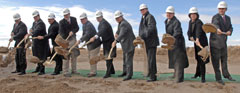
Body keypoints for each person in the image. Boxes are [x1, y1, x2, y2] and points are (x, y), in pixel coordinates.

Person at [210, 1, 235, 85]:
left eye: (223, 9)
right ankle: (218, 78)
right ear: (218, 9)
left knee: (224, 60)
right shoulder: (215, 17)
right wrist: (217, 29)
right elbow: (215, 24)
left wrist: (229, 31)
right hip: (215, 43)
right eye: (220, 8)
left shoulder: (228, 18)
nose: (221, 10)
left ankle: (226, 75)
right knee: (216, 62)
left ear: (226, 9)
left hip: (223, 43)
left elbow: (230, 26)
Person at [165, 6, 189, 83]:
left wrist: (171, 38)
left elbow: (177, 32)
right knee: (174, 59)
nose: (168, 14)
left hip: (178, 43)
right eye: (167, 13)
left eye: (170, 13)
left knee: (179, 60)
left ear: (173, 14)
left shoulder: (176, 22)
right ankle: (175, 74)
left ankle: (179, 78)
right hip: (172, 43)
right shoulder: (167, 21)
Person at [89, 11, 116, 78]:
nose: (98, 19)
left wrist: (95, 37)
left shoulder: (104, 23)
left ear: (102, 17)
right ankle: (112, 71)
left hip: (109, 43)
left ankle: (108, 73)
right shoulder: (101, 23)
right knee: (108, 57)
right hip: (106, 42)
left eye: (99, 17)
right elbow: (102, 33)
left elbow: (102, 31)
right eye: (97, 17)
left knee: (108, 57)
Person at [112, 10, 136, 81]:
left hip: (129, 45)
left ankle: (129, 75)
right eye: (116, 18)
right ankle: (125, 72)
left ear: (121, 16)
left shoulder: (124, 24)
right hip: (125, 45)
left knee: (128, 60)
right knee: (125, 59)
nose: (117, 19)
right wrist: (116, 33)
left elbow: (122, 33)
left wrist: (116, 41)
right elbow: (119, 31)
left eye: (118, 18)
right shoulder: (120, 23)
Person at [187, 7, 209, 83]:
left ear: (197, 15)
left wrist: (197, 38)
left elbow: (198, 31)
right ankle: (197, 74)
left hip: (202, 44)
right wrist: (190, 37)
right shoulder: (190, 22)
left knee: (202, 60)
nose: (193, 15)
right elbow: (189, 32)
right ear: (189, 15)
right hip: (196, 43)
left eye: (194, 14)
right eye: (191, 14)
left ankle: (203, 78)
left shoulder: (199, 22)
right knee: (197, 58)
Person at [138, 4, 159, 82]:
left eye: (143, 9)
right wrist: (140, 36)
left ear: (147, 9)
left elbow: (151, 28)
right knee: (150, 59)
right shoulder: (144, 17)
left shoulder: (150, 17)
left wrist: (142, 35)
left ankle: (153, 77)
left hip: (151, 42)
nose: (142, 11)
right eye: (141, 10)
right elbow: (142, 29)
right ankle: (151, 73)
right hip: (148, 42)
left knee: (151, 59)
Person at [77, 12, 101, 77]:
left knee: (92, 58)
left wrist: (80, 40)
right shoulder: (84, 25)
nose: (81, 20)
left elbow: (87, 34)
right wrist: (83, 41)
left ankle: (93, 72)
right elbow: (84, 34)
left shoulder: (89, 25)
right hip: (90, 44)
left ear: (86, 18)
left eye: (83, 19)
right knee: (90, 58)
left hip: (95, 44)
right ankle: (92, 71)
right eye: (81, 19)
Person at [58, 8, 80, 77]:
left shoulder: (74, 19)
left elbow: (77, 28)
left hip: (73, 39)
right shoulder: (61, 22)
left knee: (74, 55)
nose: (65, 17)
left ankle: (74, 70)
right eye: (64, 15)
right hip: (66, 40)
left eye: (67, 15)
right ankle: (65, 71)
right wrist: (67, 35)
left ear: (69, 14)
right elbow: (61, 32)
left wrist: (73, 32)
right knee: (66, 55)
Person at [28, 10, 51, 75]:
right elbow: (32, 29)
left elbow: (36, 31)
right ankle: (38, 68)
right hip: (36, 43)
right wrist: (31, 31)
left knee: (41, 57)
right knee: (37, 56)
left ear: (38, 16)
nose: (35, 18)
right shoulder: (34, 23)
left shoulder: (41, 23)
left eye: (35, 17)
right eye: (34, 17)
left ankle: (42, 70)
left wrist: (31, 33)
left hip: (42, 44)